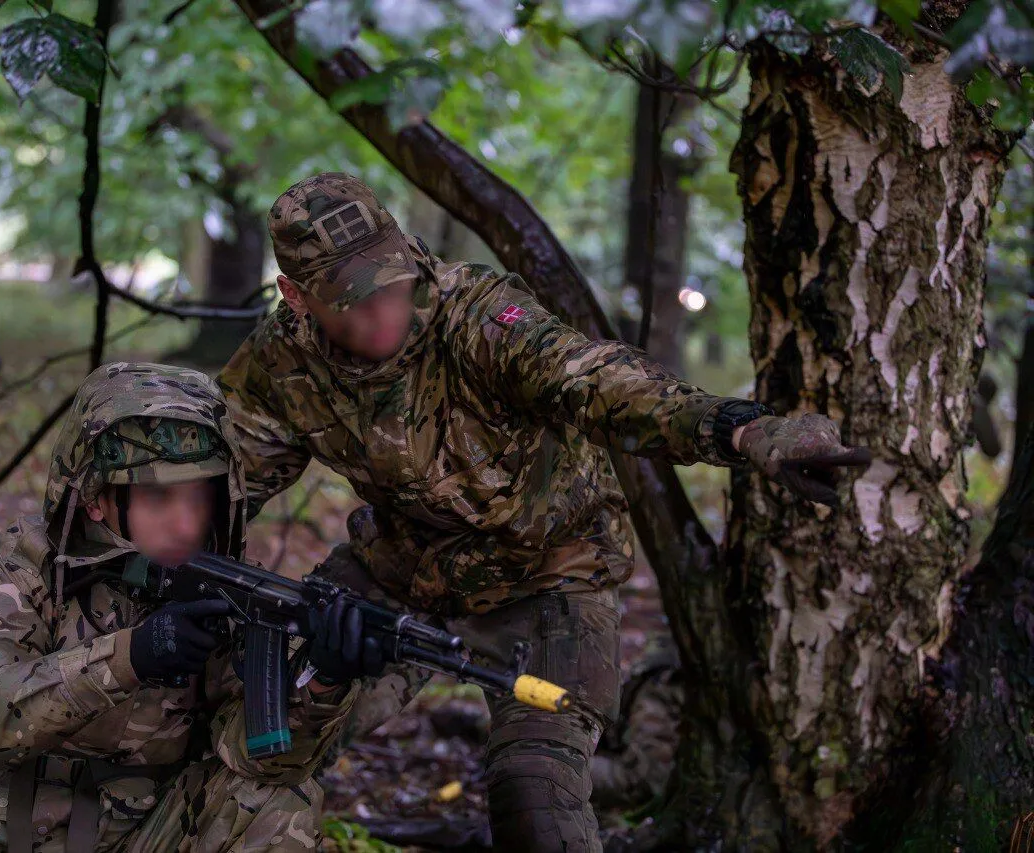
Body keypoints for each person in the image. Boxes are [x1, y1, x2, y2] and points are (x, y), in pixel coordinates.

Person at [217, 172, 871, 852]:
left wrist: (741, 428)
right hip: (402, 569)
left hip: (549, 575)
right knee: (260, 736)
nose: (384, 310)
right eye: (354, 298)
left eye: (393, 282)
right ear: (296, 296)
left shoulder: (475, 317)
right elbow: (225, 477)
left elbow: (595, 379)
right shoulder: (281, 361)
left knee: (536, 796)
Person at [0, 362, 364, 852]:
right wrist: (129, 658)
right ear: (96, 499)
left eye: (200, 498)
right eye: (158, 498)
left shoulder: (226, 588)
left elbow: (261, 762)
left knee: (276, 802)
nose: (185, 525)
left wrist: (320, 682)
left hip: (136, 834)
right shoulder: (30, 561)